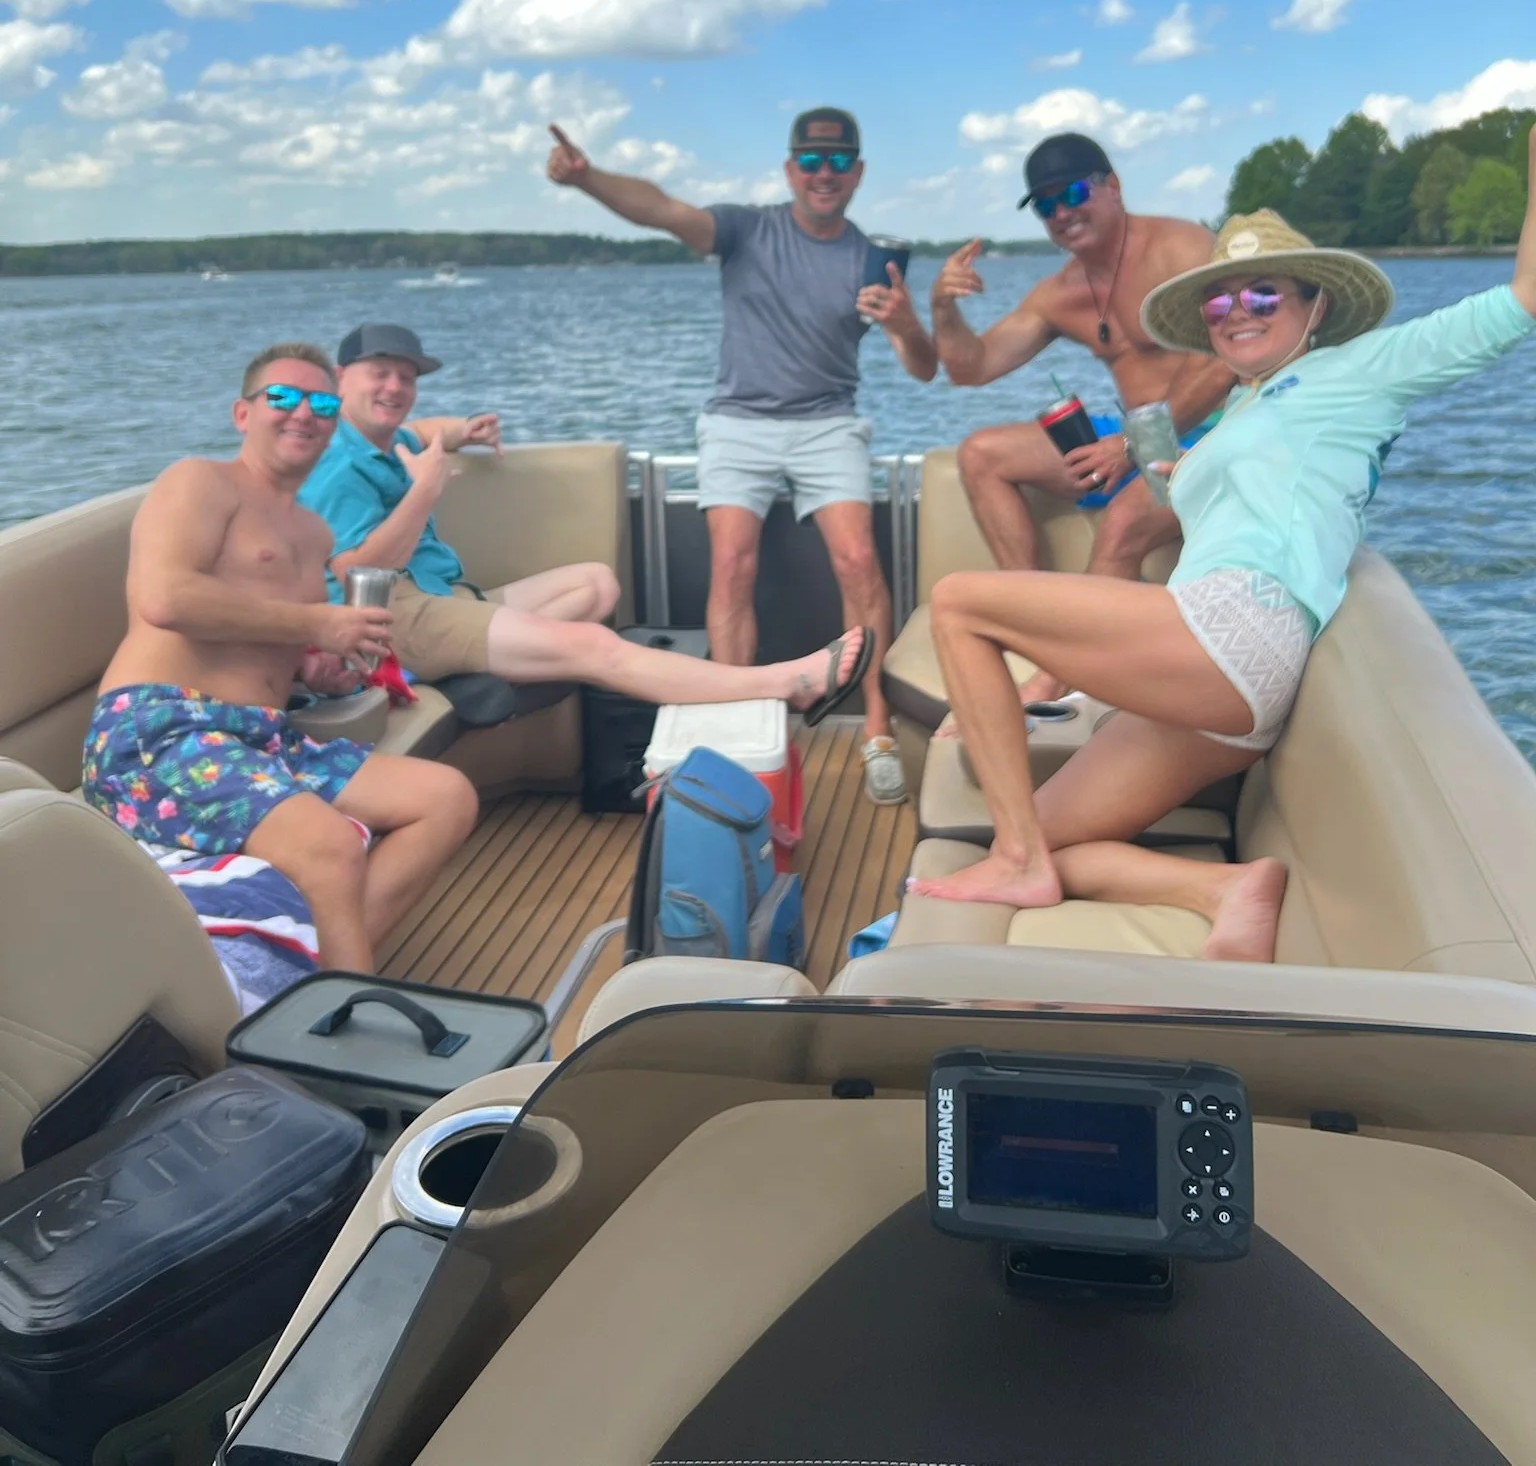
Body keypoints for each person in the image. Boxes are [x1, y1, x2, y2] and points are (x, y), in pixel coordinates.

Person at [908, 122, 1536, 962]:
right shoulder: (1247, 404)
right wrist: (1164, 467)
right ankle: (1225, 889)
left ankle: (1022, 846)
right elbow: (1233, 503)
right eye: (1220, 301)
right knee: (1038, 834)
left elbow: (1522, 300)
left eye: (1264, 295)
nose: (1237, 311)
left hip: (1237, 635)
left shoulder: (1363, 371)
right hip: (1220, 692)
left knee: (959, 606)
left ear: (1315, 306)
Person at [546, 109, 937, 805]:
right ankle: (732, 723)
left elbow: (924, 368)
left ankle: (876, 726)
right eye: (811, 161)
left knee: (857, 561)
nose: (825, 173)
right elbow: (663, 210)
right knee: (732, 560)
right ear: (790, 170)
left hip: (827, 422)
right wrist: (587, 180)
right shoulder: (747, 230)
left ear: (859, 173)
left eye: (839, 160)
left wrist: (907, 323)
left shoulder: (872, 260)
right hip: (738, 422)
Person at [83, 342, 481, 976]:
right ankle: (347, 1011)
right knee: (326, 847)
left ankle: (310, 984)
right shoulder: (199, 481)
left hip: (262, 737)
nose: (303, 413)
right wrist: (318, 620)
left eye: (321, 402)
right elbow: (165, 598)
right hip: (159, 729)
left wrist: (326, 665)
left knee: (445, 798)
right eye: (283, 398)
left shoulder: (312, 533)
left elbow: (287, 656)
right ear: (244, 414)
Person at [300, 321, 876, 725]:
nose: (395, 388)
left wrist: (462, 430)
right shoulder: (334, 462)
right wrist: (424, 494)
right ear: (340, 377)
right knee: (592, 646)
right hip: (388, 622)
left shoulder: (386, 437)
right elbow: (358, 574)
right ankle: (785, 684)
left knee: (596, 583)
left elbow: (424, 431)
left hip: (441, 596)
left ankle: (472, 664)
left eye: (407, 377)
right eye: (380, 374)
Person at [930, 133, 1233, 706]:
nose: (1063, 213)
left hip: (1210, 437)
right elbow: (971, 368)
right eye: (1046, 205)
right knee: (982, 454)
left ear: (1113, 186)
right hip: (1133, 438)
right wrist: (943, 308)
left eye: (1073, 193)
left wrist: (1129, 446)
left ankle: (1061, 674)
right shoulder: (1060, 293)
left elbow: (1221, 368)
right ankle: (1033, 621)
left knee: (1121, 524)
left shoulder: (1182, 249)